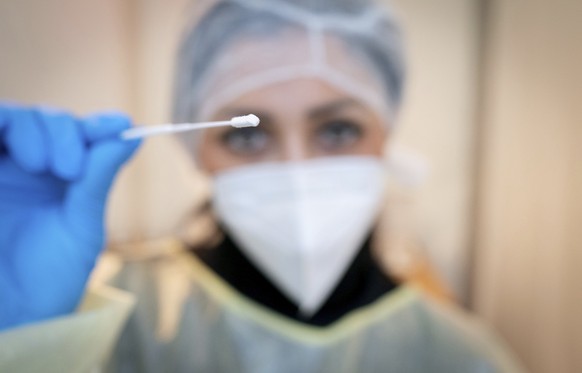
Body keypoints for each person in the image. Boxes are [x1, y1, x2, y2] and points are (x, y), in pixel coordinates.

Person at [0, 0, 525, 372]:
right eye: (247, 137)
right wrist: (27, 343)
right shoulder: (105, 323)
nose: (295, 170)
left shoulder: (461, 357)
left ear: (386, 134)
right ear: (196, 151)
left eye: (337, 130)